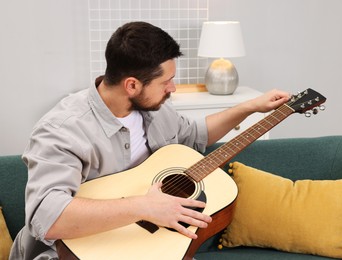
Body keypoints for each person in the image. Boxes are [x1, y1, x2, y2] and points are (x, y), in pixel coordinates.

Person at [10, 21, 290, 259]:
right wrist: (146, 206)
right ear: (132, 85)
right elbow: (47, 219)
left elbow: (196, 137)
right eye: (165, 81)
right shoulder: (62, 129)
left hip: (142, 246)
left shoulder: (153, 109)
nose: (173, 87)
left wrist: (250, 107)